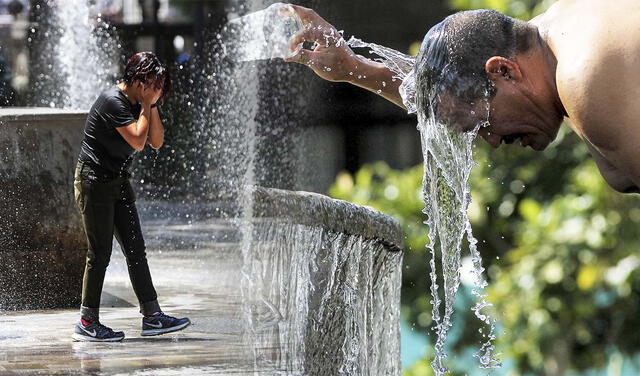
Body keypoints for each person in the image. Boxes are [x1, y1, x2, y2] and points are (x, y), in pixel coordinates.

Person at [285, 0, 640, 194]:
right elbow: (453, 93)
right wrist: (352, 67)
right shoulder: (559, 32)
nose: (493, 141)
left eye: (482, 124)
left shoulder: (587, 81)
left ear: (503, 70)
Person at [73, 52, 190, 342]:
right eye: (155, 83)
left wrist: (152, 106)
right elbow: (138, 141)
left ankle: (152, 316)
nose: (158, 89)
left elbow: (157, 141)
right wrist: (148, 105)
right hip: (94, 182)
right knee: (99, 254)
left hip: (118, 182)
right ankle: (87, 322)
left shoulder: (141, 102)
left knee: (136, 249)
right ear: (139, 80)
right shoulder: (112, 101)